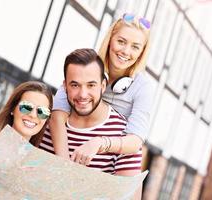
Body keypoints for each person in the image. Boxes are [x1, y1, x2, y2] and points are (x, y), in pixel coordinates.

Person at [49, 13, 154, 163]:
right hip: (67, 153)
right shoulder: (88, 64)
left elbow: (135, 141)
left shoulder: (143, 87)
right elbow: (57, 115)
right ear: (110, 40)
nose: (126, 51)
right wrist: (64, 165)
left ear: (141, 53)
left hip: (105, 164)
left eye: (135, 47)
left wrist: (99, 143)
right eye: (121, 41)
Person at [39, 48, 142, 175]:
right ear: (65, 86)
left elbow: (131, 195)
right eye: (75, 85)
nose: (83, 94)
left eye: (91, 85)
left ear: (103, 86)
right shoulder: (41, 119)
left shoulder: (124, 136)